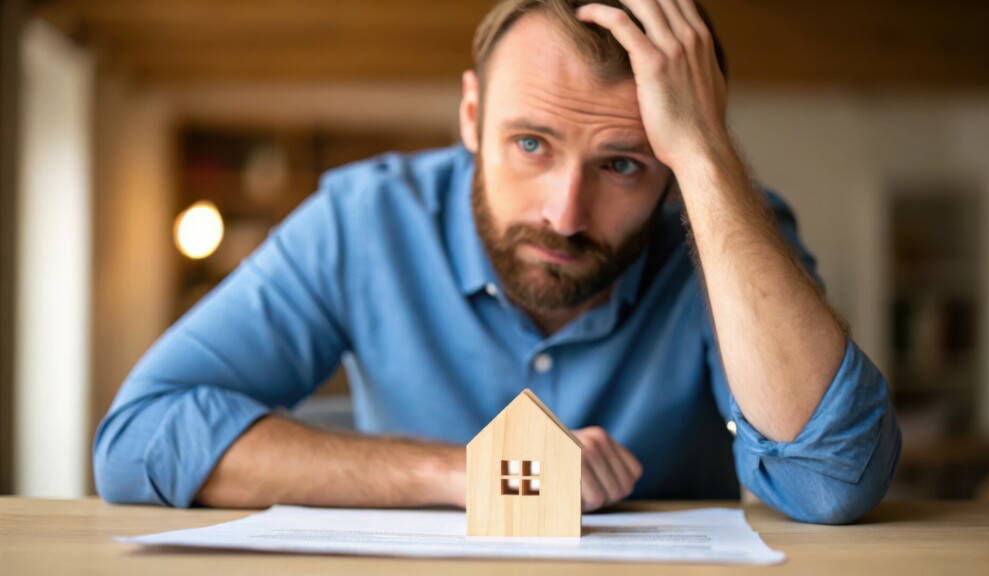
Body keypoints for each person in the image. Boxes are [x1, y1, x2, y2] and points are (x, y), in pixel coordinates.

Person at [94, 0, 900, 524]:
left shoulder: (721, 231)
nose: (564, 213)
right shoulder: (362, 222)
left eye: (625, 164)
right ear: (472, 116)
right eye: (530, 144)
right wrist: (466, 473)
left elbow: (833, 480)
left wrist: (708, 160)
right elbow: (138, 440)